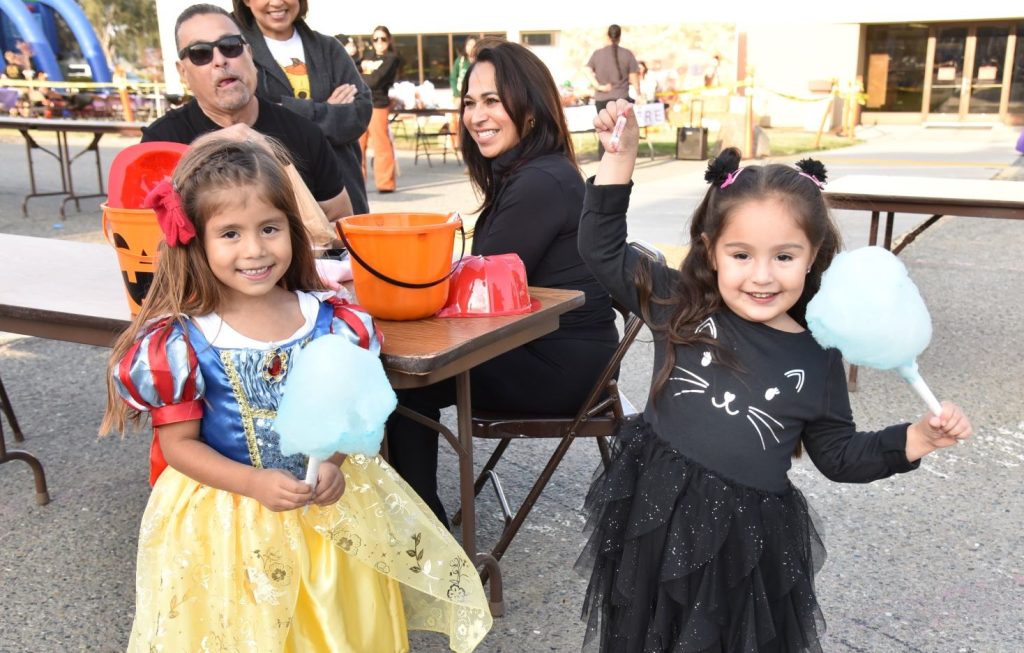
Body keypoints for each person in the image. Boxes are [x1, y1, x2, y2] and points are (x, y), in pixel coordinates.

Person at [575, 100, 973, 652]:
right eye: (741, 254)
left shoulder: (819, 356)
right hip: (657, 515)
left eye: (785, 256)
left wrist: (917, 439)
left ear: (814, 256)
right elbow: (600, 249)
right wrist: (619, 161)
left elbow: (837, 455)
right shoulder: (681, 303)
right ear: (711, 251)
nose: (761, 276)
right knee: (645, 633)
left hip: (745, 544)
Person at [100, 137, 493, 652]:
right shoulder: (185, 341)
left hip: (328, 513)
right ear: (196, 241)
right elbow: (178, 448)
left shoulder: (330, 320)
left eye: (269, 228)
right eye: (230, 234)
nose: (255, 249)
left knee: (333, 627)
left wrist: (333, 459)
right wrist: (253, 482)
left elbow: (348, 416)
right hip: (231, 521)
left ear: (291, 227)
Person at [385, 38, 619, 526]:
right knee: (403, 375)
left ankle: (421, 529)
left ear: (529, 108)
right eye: (470, 102)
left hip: (561, 366)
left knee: (404, 385)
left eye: (492, 100)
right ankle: (417, 519)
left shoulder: (541, 181)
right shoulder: (529, 172)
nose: (476, 115)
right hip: (552, 348)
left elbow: (475, 286)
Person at [142, 4, 353, 221]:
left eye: (230, 46)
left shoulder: (304, 133)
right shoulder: (160, 142)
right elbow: (142, 233)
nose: (220, 60)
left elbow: (339, 220)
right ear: (183, 73)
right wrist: (203, 149)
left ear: (249, 54)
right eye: (200, 53)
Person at [233, 0, 373, 215]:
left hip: (340, 196)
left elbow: (358, 115)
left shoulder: (329, 48)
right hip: (274, 199)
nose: (278, 2)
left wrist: (284, 109)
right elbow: (249, 122)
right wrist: (326, 109)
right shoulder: (236, 52)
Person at [586, 24, 639, 157]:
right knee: (620, 131)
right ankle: (619, 157)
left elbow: (586, 70)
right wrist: (639, 93)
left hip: (602, 98)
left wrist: (598, 86)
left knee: (604, 129)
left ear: (607, 36)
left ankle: (604, 156)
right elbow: (634, 77)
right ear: (619, 36)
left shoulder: (597, 54)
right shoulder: (627, 54)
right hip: (620, 98)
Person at [358, 25, 400, 193]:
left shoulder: (391, 59)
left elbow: (376, 81)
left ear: (389, 40)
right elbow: (350, 73)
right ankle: (358, 182)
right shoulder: (367, 56)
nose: (379, 42)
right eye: (375, 39)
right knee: (357, 145)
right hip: (361, 104)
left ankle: (385, 184)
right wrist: (365, 77)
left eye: (383, 38)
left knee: (381, 144)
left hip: (378, 104)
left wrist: (362, 76)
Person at [449, 36, 476, 144]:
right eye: (469, 45)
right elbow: (453, 79)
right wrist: (456, 95)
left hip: (474, 99)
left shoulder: (480, 62)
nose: (471, 48)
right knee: (457, 120)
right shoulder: (460, 61)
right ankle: (457, 143)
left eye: (473, 45)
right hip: (460, 97)